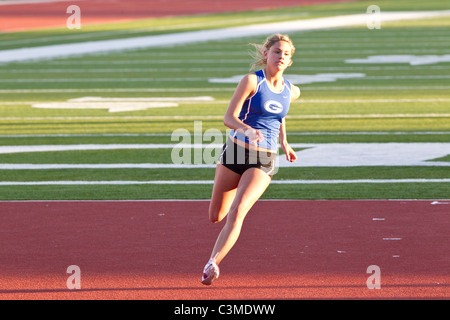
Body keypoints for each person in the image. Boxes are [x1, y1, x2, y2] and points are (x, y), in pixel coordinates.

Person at [201, 33, 301, 285]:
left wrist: (284, 142)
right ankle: (225, 214)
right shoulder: (251, 81)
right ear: (266, 54)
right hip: (235, 151)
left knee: (238, 211)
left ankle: (212, 263)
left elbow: (278, 115)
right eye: (277, 51)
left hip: (264, 158)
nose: (281, 57)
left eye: (286, 54)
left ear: (290, 61)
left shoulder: (292, 90)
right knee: (216, 215)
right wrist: (245, 129)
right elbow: (228, 118)